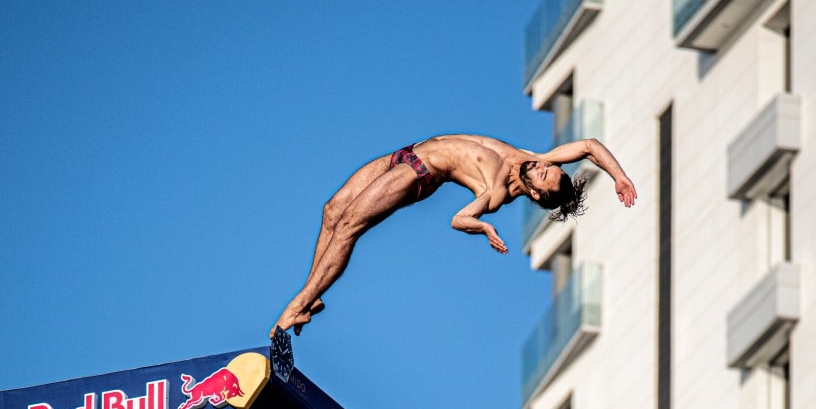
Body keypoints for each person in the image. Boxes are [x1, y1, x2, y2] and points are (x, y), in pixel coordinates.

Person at [271, 134, 637, 336]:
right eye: (547, 166)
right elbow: (589, 146)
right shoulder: (530, 156)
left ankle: (297, 304)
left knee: (351, 223)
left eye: (543, 173)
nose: (541, 165)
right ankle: (312, 297)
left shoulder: (495, 195)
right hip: (406, 153)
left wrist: (483, 227)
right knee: (332, 210)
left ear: (537, 195)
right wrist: (618, 176)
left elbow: (458, 219)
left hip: (421, 172)